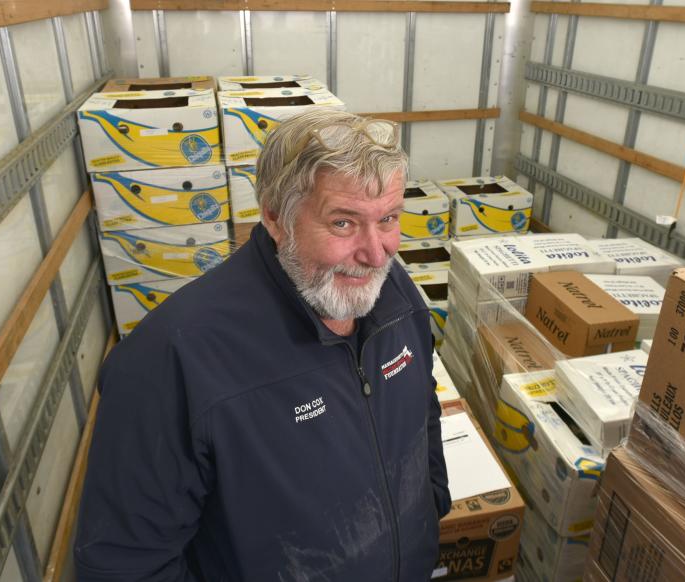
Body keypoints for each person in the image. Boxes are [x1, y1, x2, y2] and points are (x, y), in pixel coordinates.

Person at [75, 109, 450, 581]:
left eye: (389, 218)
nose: (377, 253)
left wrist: (430, 510)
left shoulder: (393, 293)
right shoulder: (172, 360)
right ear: (275, 217)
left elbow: (422, 410)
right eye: (343, 223)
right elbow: (125, 565)